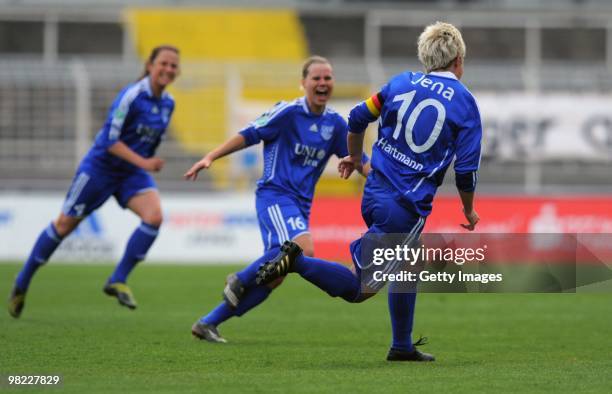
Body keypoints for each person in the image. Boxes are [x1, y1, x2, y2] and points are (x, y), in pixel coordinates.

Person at [256, 21, 482, 361]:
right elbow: (465, 171)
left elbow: (358, 117)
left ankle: (402, 346)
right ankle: (296, 261)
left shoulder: (401, 82)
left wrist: (351, 153)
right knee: (358, 288)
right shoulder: (465, 103)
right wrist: (469, 210)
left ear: (425, 57)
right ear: (459, 60)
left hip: (375, 190)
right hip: (404, 205)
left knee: (409, 262)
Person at [185, 56, 370, 343]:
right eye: (316, 78)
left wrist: (386, 181)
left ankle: (208, 322)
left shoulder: (334, 123)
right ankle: (241, 278)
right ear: (303, 83)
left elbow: (360, 160)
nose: (322, 83)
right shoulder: (287, 112)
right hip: (275, 195)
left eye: (328, 78)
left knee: (275, 275)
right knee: (303, 249)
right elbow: (248, 134)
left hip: (300, 205)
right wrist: (211, 156)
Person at [8, 45, 180, 317]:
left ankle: (117, 279)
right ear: (150, 65)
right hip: (100, 168)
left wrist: (143, 163)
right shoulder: (131, 96)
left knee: (154, 217)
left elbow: (149, 142)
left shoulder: (168, 103)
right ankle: (22, 281)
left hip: (130, 173)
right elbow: (110, 141)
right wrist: (145, 163)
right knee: (64, 225)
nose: (169, 69)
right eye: (164, 63)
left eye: (173, 66)